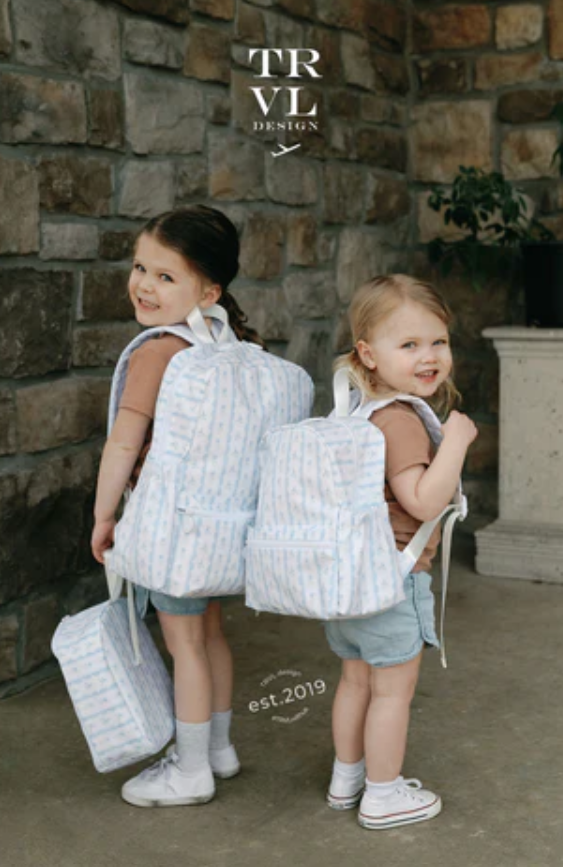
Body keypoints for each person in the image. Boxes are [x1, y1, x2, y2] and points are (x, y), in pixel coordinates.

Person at [91, 206, 263, 808]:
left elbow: (123, 445)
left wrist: (104, 517)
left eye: (166, 276)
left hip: (172, 529)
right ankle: (218, 748)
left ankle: (190, 771)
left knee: (183, 644)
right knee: (210, 636)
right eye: (141, 267)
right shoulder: (230, 346)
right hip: (221, 528)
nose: (144, 284)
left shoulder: (158, 352)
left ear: (209, 291)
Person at [324, 274, 478, 830]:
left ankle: (347, 778)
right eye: (409, 344)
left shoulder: (358, 411)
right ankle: (383, 795)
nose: (428, 356)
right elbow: (421, 500)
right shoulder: (402, 419)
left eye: (438, 341)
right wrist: (456, 442)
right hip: (393, 580)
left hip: (349, 580)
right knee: (392, 693)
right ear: (368, 353)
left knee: (354, 682)